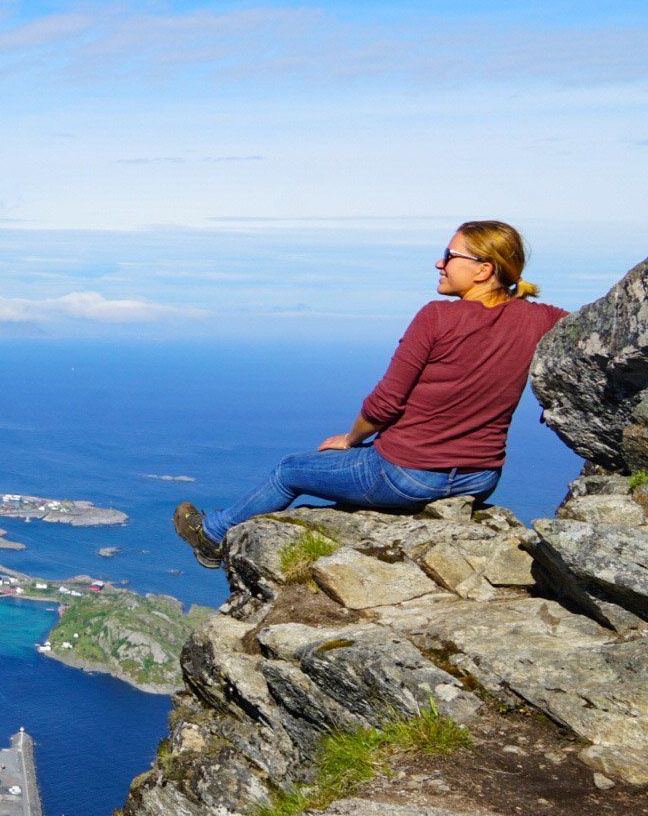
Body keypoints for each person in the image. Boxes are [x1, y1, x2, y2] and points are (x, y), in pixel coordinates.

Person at [173, 220, 568, 569]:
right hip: (479, 479)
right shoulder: (540, 319)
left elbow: (385, 405)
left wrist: (351, 439)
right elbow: (591, 330)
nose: (439, 263)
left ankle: (213, 536)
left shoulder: (437, 317)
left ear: (484, 269)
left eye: (449, 255)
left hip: (408, 476)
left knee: (290, 470)